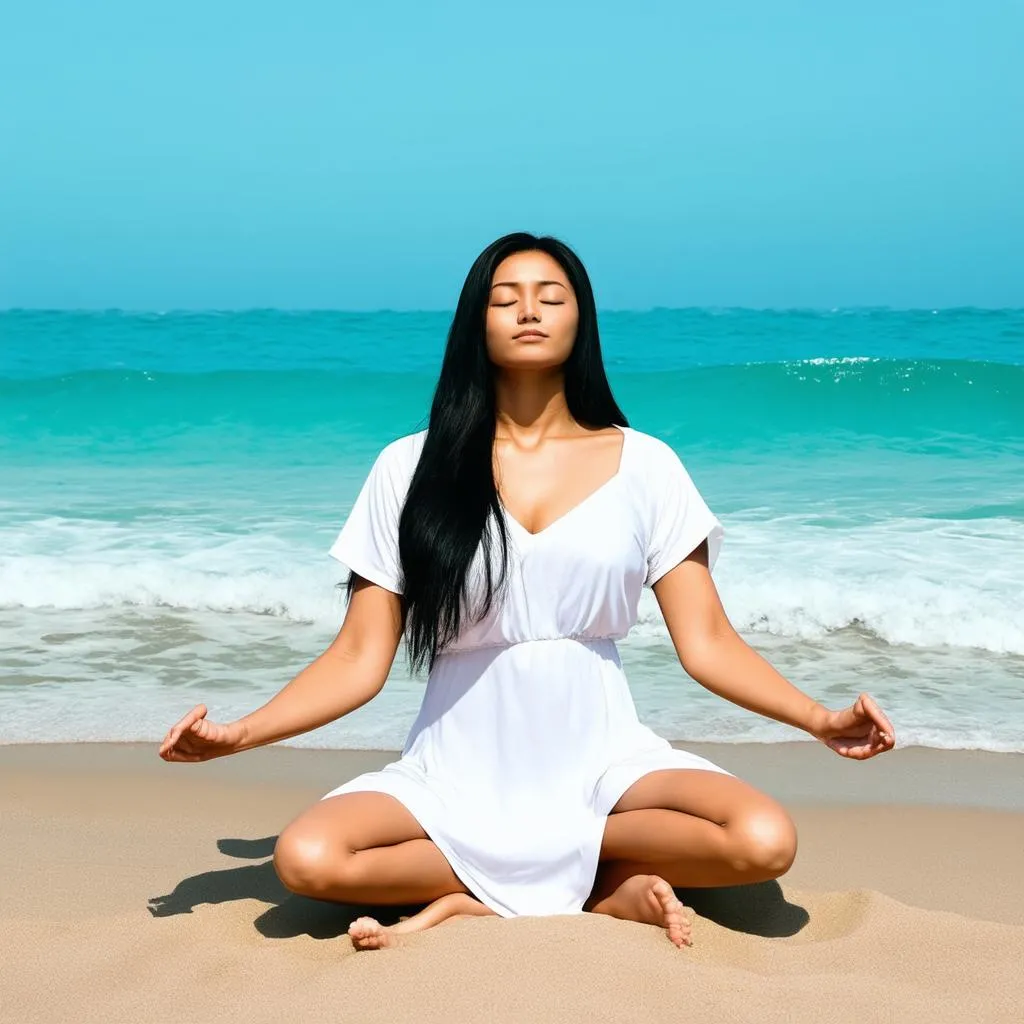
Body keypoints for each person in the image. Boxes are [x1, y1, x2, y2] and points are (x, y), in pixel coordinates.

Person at [159, 232, 895, 951]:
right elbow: (358, 657)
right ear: (475, 323)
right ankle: (598, 885)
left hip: (603, 755)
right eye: (505, 298)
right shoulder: (408, 468)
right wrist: (240, 735)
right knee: (308, 859)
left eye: (552, 296)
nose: (530, 310)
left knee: (763, 840)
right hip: (458, 765)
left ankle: (500, 889)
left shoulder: (648, 466)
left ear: (582, 318)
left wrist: (818, 718)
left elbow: (707, 643)